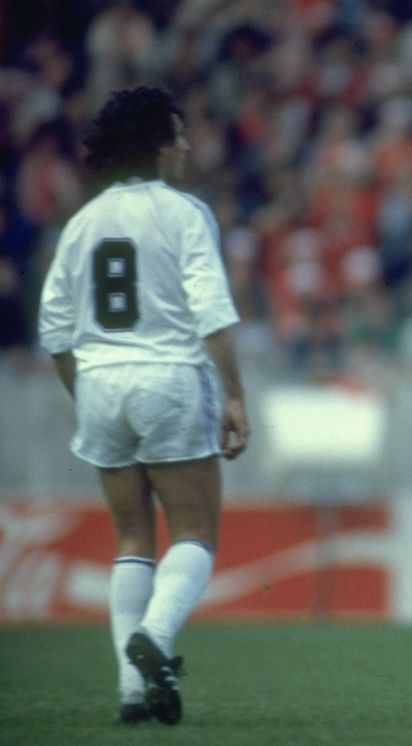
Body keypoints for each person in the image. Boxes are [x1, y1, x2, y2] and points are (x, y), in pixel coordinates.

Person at [37, 86, 249, 726]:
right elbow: (211, 315)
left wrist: (88, 396)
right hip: (169, 378)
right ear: (160, 144)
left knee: (131, 538)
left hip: (99, 382)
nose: (186, 147)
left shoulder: (83, 221)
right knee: (194, 532)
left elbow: (53, 331)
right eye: (179, 135)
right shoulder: (183, 212)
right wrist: (235, 395)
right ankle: (154, 638)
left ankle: (132, 691)